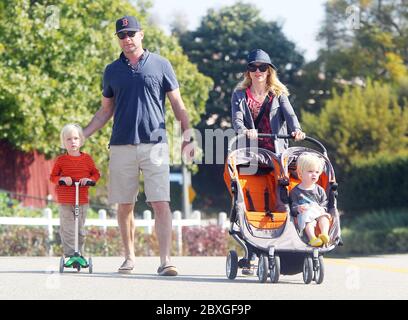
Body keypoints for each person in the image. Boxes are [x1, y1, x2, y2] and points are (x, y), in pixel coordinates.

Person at [83, 16, 193, 276]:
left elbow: (178, 105)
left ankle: (166, 260)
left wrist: (187, 134)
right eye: (122, 35)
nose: (127, 38)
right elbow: (104, 111)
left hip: (155, 144)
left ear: (141, 35)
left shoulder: (161, 64)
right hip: (121, 144)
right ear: (118, 39)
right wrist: (82, 134)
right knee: (124, 204)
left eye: (131, 33)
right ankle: (129, 257)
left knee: (160, 202)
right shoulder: (111, 70)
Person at [231, 48, 306, 275]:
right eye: (253, 67)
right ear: (248, 71)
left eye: (262, 67)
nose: (257, 71)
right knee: (251, 200)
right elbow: (236, 120)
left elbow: (290, 116)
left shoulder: (277, 93)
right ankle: (252, 251)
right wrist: (245, 131)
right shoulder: (240, 95)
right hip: (252, 154)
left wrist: (297, 131)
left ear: (269, 70)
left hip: (276, 152)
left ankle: (286, 242)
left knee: (281, 197)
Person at [50, 123, 101, 259]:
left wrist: (89, 180)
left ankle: (79, 253)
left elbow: (96, 174)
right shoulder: (61, 160)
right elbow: (53, 177)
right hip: (66, 200)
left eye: (76, 138)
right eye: (69, 139)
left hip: (82, 200)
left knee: (80, 230)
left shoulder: (87, 159)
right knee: (68, 229)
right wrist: (62, 179)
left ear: (81, 140)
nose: (73, 142)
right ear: (64, 142)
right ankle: (70, 254)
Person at [289, 153, 331, 247]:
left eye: (317, 172)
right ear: (300, 174)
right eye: (310, 171)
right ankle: (312, 238)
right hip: (305, 214)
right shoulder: (295, 191)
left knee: (324, 218)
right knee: (309, 222)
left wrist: (323, 209)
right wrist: (298, 208)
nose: (314, 174)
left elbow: (324, 202)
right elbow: (292, 206)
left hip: (317, 212)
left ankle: (324, 234)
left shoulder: (319, 190)